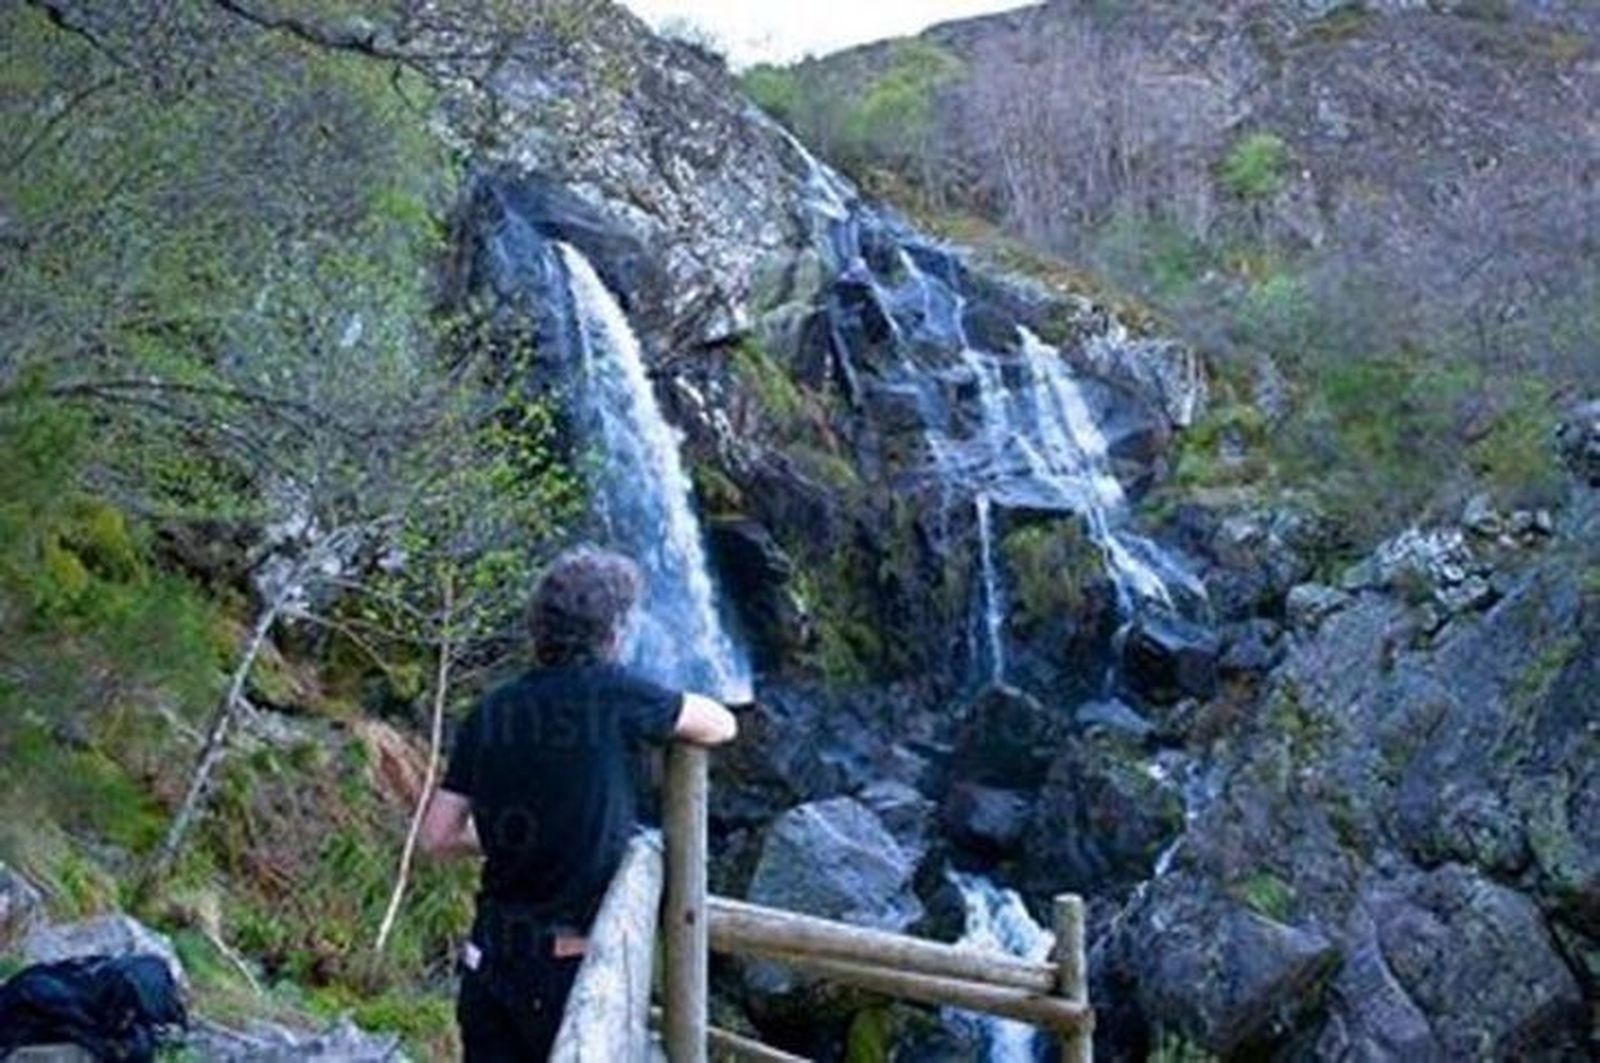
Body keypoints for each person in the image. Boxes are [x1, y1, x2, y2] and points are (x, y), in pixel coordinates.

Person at [419, 546, 739, 1062]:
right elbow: (722, 722)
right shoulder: (617, 696)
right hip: (567, 968)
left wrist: (516, 831)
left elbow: (436, 836)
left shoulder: (491, 709)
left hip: (489, 960)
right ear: (613, 631)